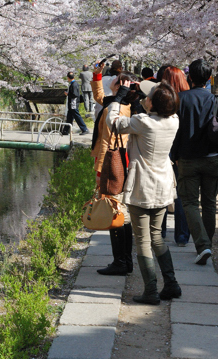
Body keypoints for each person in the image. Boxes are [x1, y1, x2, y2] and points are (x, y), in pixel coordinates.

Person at [107, 80, 181, 304]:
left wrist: (117, 99)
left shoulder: (142, 122)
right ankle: (171, 284)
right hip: (163, 186)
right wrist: (142, 94)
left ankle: (150, 291)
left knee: (142, 241)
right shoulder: (174, 120)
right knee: (157, 237)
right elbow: (153, 110)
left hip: (142, 187)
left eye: (148, 96)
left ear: (153, 103)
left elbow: (114, 123)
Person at [172, 58, 218, 265]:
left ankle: (203, 245)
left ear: (189, 77)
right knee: (209, 203)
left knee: (190, 202)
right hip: (212, 157)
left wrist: (173, 156)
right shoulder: (215, 100)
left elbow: (175, 131)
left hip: (188, 158)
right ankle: (207, 243)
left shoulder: (180, 99)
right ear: (208, 78)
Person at [91, 64, 133, 276]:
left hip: (112, 163)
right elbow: (100, 96)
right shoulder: (121, 104)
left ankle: (121, 261)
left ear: (120, 86)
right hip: (120, 162)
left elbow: (108, 140)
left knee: (113, 210)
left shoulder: (118, 108)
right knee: (121, 212)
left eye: (114, 82)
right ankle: (125, 260)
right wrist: (97, 74)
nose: (111, 84)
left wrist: (100, 168)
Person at [160, 67, 190, 246]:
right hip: (183, 152)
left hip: (164, 150)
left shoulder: (162, 99)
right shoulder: (187, 98)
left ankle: (160, 231)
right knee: (181, 194)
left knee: (163, 191)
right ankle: (181, 235)